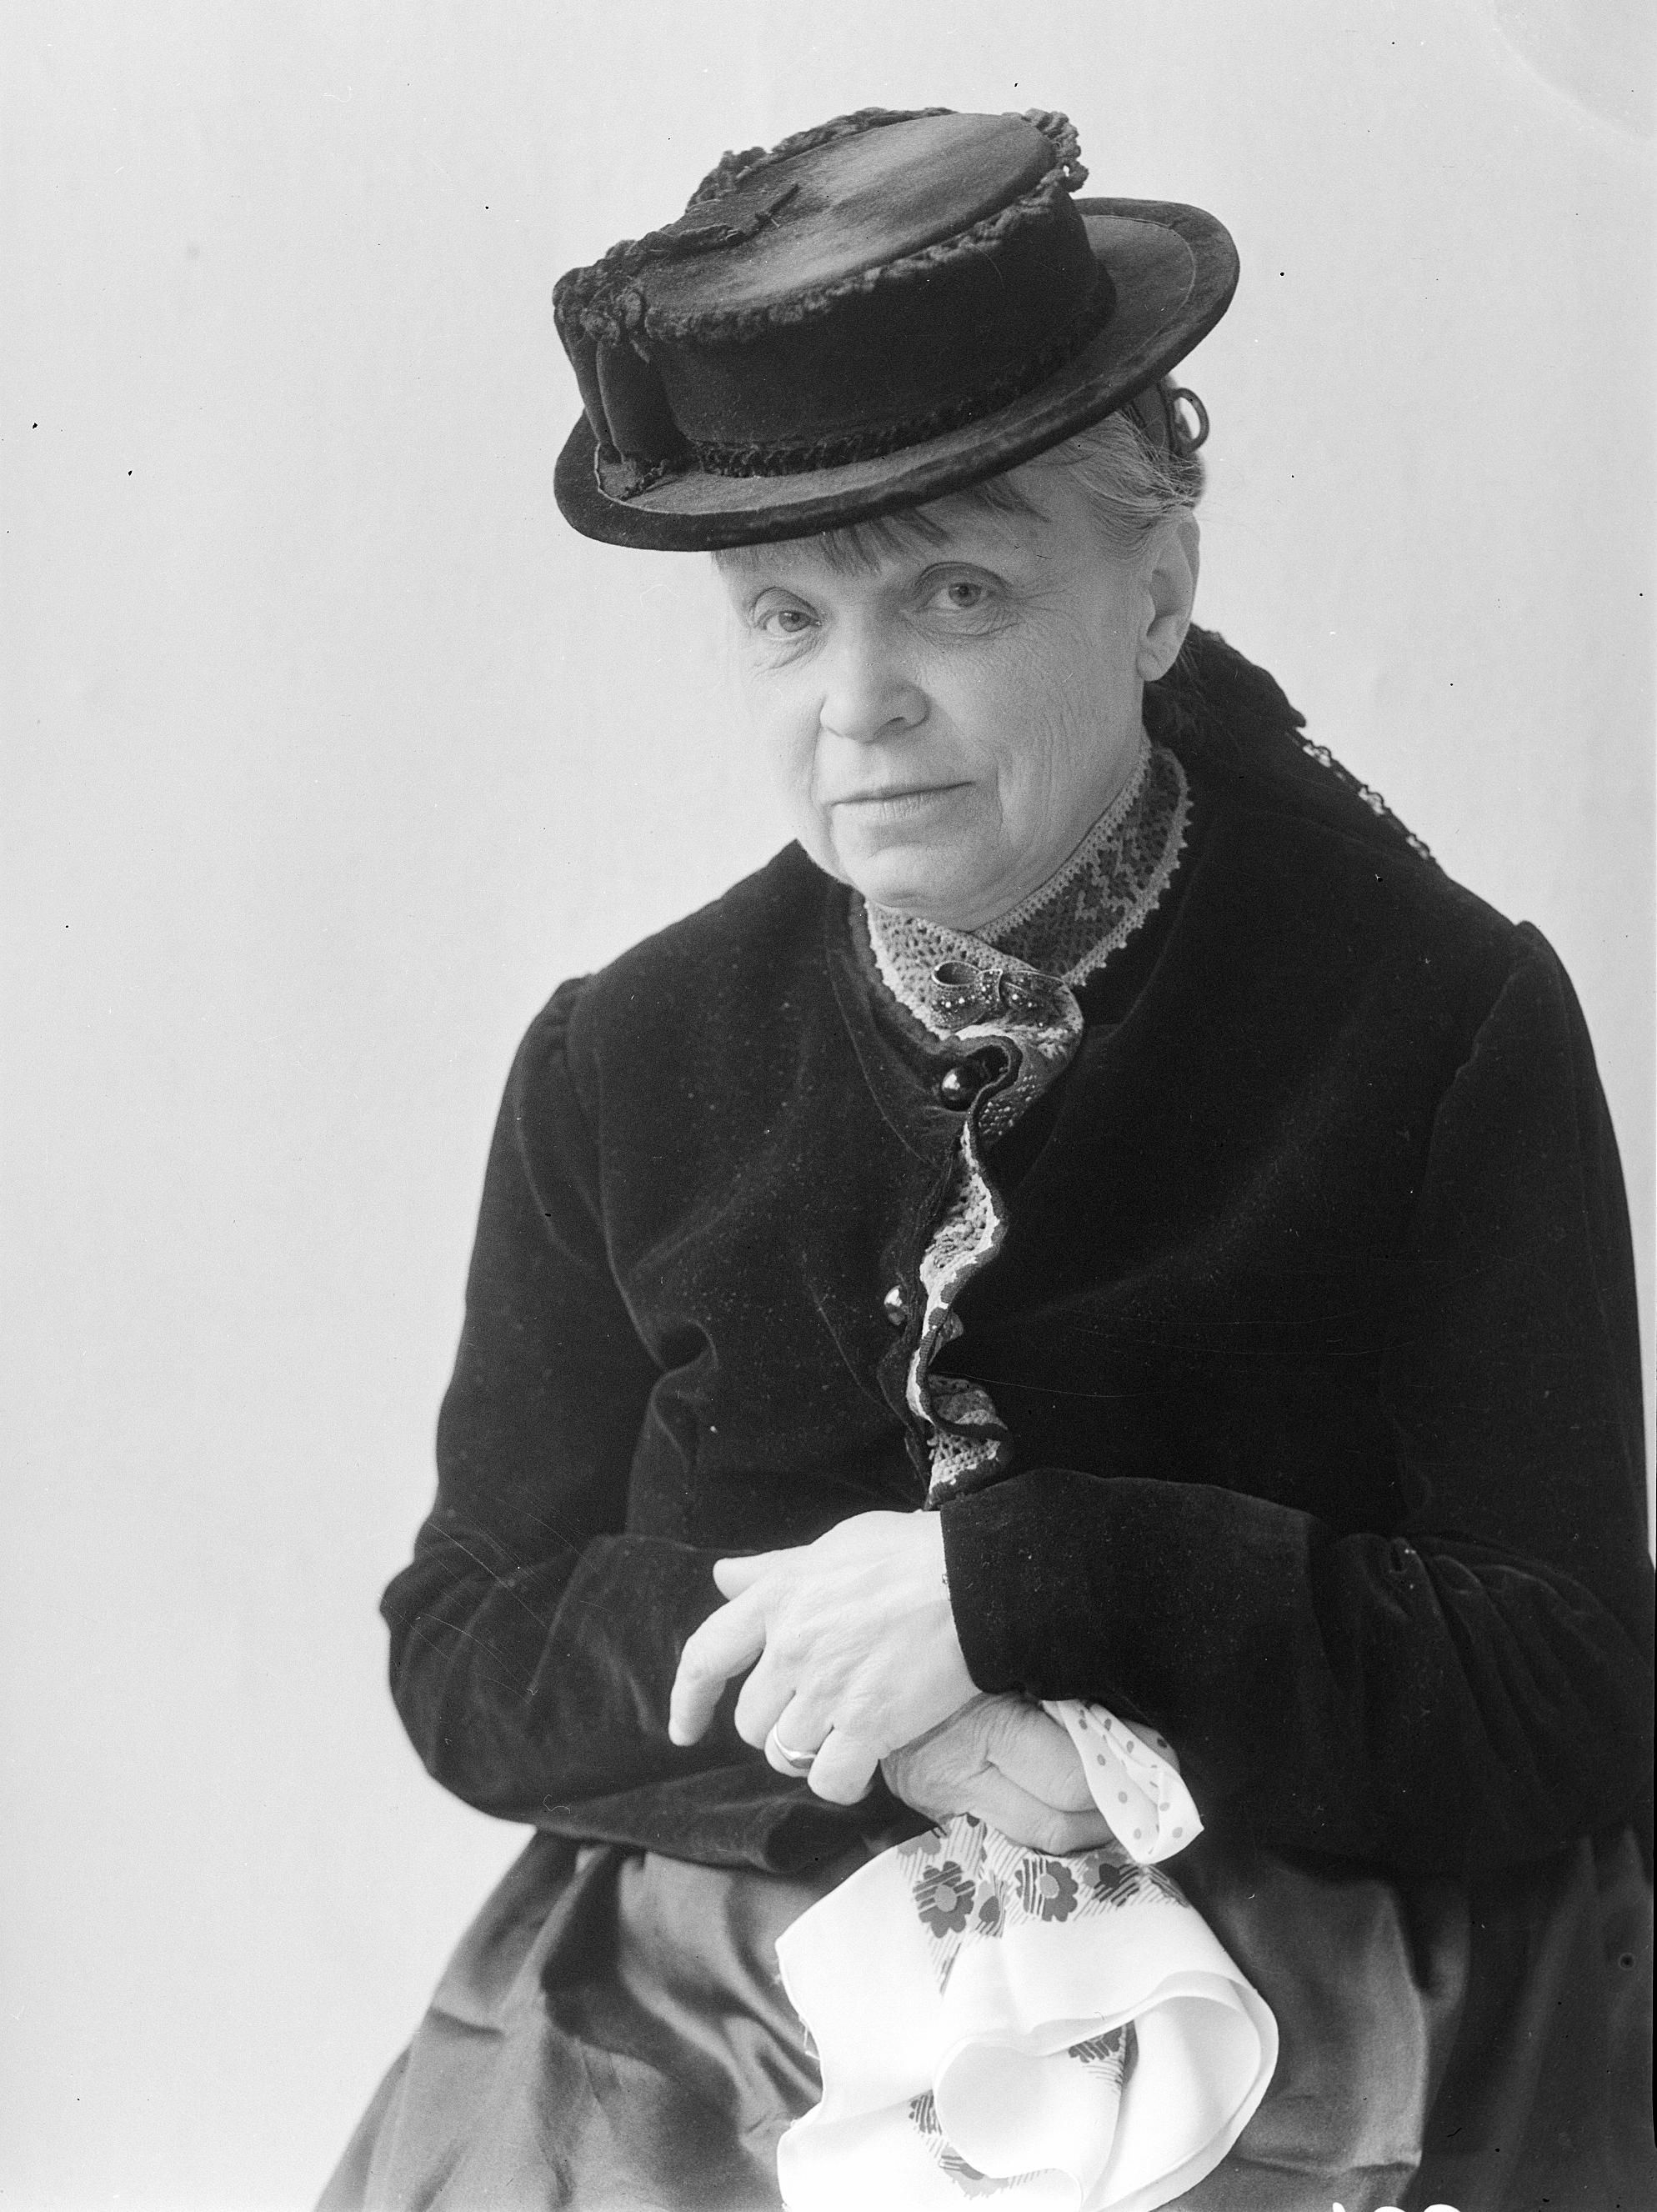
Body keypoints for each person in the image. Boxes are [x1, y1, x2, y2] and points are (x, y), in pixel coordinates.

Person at [321, 106, 1654, 2212]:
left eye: (953, 591)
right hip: (733, 1977)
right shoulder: (620, 1056)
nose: (859, 704)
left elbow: (1567, 1681)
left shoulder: (1438, 1013)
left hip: (1328, 1947)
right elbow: (470, 1637)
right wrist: (883, 1714)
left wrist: (1016, 1584)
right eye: (784, 617)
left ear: (1156, 592)